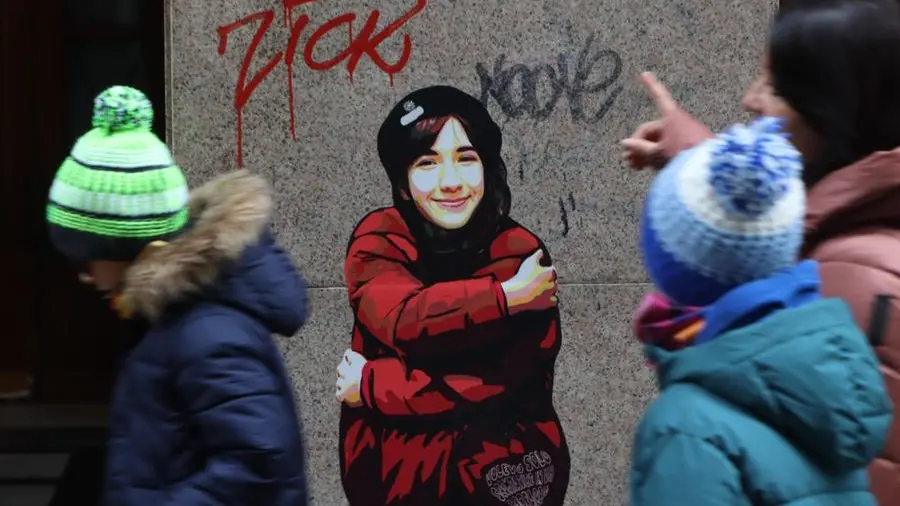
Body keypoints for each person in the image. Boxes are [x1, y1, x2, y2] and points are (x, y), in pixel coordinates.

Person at [621, 0, 900, 501]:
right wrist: (702, 175)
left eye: (775, 87)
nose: (749, 99)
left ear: (836, 113)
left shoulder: (852, 276)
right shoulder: (853, 239)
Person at [45, 85, 309, 506]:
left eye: (87, 257)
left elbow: (258, 461)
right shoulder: (170, 318)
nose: (85, 276)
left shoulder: (207, 334)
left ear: (128, 246)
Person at [334, 85, 570, 506]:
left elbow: (489, 383)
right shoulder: (380, 241)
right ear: (403, 182)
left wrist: (372, 383)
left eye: (466, 159)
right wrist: (504, 299)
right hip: (396, 483)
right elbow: (404, 319)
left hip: (502, 477)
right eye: (427, 163)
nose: (450, 183)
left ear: (487, 166)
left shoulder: (520, 255)